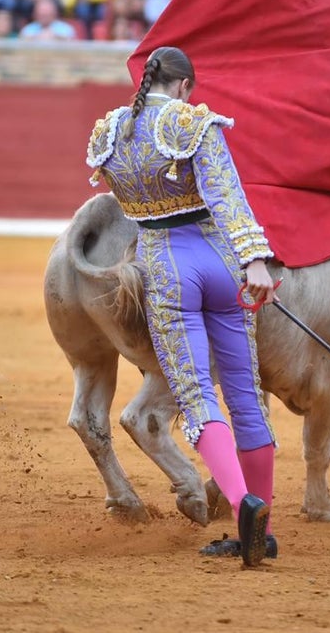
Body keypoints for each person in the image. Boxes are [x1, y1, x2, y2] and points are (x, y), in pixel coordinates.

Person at [85, 46, 276, 567]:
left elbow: (125, 203)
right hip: (220, 261)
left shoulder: (111, 133)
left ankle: (244, 508)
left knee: (195, 396)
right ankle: (263, 526)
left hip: (166, 265)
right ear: (186, 86)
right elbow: (226, 195)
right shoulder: (194, 122)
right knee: (244, 392)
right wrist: (255, 259)